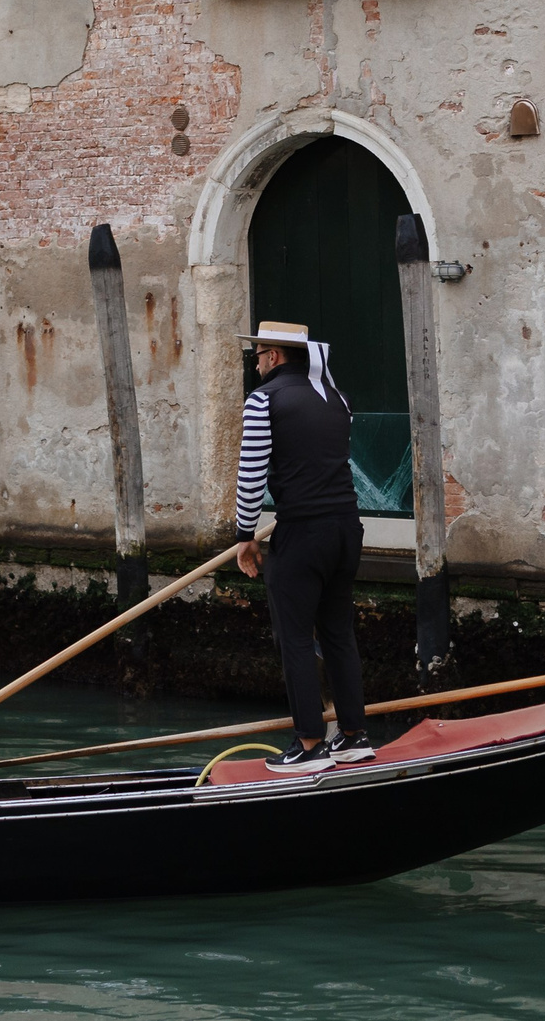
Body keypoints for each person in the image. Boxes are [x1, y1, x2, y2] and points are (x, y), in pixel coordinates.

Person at [233, 320, 374, 775]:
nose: (256, 364)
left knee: (293, 638)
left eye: (257, 356)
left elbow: (251, 475)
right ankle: (353, 736)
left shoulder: (263, 400)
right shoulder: (338, 398)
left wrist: (244, 536)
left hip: (302, 535)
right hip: (346, 530)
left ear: (274, 356)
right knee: (337, 634)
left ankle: (310, 744)